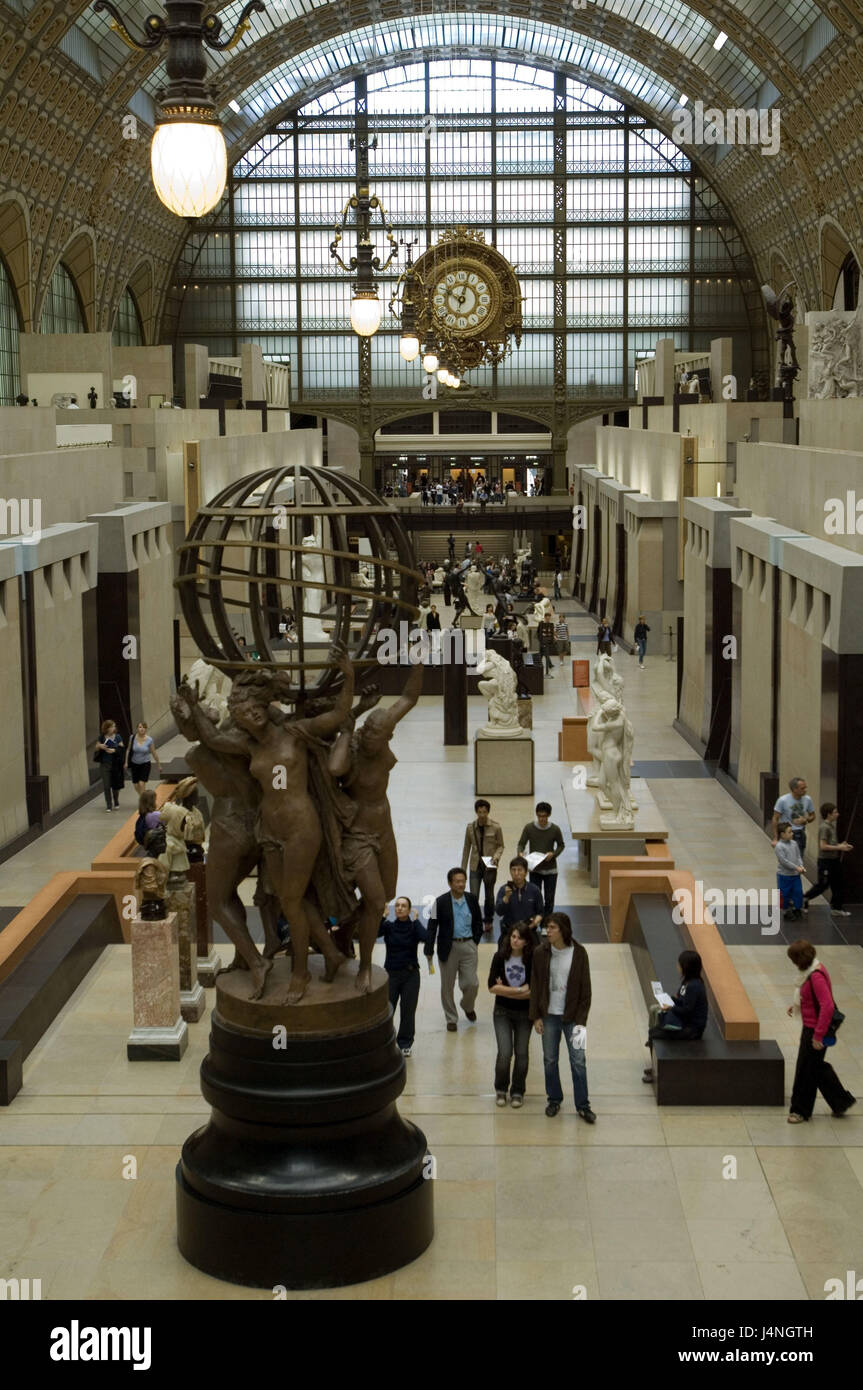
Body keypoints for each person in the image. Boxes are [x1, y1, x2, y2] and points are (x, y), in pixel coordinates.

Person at [529, 912, 595, 1122]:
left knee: (579, 1061)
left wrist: (581, 1022)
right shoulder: (540, 952)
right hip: (549, 1016)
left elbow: (586, 990)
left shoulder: (579, 953)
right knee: (550, 1060)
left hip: (574, 1018)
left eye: (552, 928)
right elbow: (536, 985)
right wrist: (536, 1017)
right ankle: (554, 1099)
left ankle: (583, 1105)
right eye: (547, 927)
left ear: (563, 930)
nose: (547, 931)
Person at [786, 939, 855, 1123]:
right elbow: (809, 997)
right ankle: (841, 1101)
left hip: (815, 1029)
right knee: (815, 1068)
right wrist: (796, 1006)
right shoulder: (813, 970)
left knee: (805, 1071)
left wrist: (818, 1035)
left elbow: (827, 1006)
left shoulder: (815, 976)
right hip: (812, 1026)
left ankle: (800, 1110)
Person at [424, 868, 484, 1031]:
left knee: (472, 983)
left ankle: (467, 1006)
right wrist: (428, 948)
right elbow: (432, 926)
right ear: (450, 883)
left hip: (468, 945)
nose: (461, 884)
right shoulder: (439, 902)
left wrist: (475, 941)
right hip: (447, 948)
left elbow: (479, 922)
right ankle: (451, 1018)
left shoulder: (471, 899)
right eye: (457, 881)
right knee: (447, 985)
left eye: (463, 881)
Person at [641, 950, 708, 1083]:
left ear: (686, 967)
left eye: (680, 964)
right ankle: (655, 1062)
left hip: (692, 1029)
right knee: (656, 1016)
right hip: (685, 1020)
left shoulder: (694, 986)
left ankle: (655, 1072)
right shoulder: (687, 982)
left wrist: (671, 1007)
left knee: (653, 1033)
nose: (677, 966)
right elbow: (682, 1001)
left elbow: (688, 1010)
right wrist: (669, 999)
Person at [488, 921, 534, 1107]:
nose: (515, 941)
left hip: (525, 1013)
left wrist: (505, 988)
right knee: (505, 1052)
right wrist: (517, 991)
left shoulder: (532, 960)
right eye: (513, 936)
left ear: (526, 942)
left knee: (522, 1053)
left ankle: (517, 1091)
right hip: (502, 1012)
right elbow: (492, 987)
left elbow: (533, 990)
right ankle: (501, 1089)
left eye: (520, 938)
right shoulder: (499, 957)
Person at [378, 896, 428, 1056]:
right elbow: (374, 933)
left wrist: (416, 920)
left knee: (408, 1010)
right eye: (397, 905)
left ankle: (405, 1043)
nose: (399, 908)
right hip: (391, 974)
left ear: (409, 909)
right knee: (388, 1009)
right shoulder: (389, 926)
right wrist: (382, 916)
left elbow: (426, 937)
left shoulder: (414, 927)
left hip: (410, 975)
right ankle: (386, 1041)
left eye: (403, 906)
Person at [461, 799, 505, 933]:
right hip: (475, 866)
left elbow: (501, 845)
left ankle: (488, 920)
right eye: (479, 812)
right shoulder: (470, 828)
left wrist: (496, 858)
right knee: (473, 895)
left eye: (484, 812)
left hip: (489, 867)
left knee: (489, 896)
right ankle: (475, 920)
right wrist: (462, 870)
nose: (482, 815)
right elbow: (466, 848)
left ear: (488, 812)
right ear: (476, 812)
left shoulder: (496, 827)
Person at [803, 803, 852, 916]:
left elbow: (831, 844)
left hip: (834, 860)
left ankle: (836, 908)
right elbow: (823, 846)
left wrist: (841, 845)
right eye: (835, 812)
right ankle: (804, 898)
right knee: (823, 884)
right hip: (826, 862)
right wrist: (839, 847)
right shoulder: (825, 827)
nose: (837, 814)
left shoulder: (831, 826)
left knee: (838, 883)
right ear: (829, 814)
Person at [517, 803, 565, 915]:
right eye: (539, 816)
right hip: (535, 869)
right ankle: (536, 920)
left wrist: (553, 854)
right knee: (535, 897)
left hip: (551, 870)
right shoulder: (529, 828)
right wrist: (520, 853)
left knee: (549, 898)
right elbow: (521, 843)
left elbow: (561, 845)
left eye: (544, 816)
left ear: (549, 815)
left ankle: (547, 922)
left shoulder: (555, 829)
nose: (542, 819)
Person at [495, 857, 544, 940]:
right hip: (509, 931)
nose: (516, 873)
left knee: (537, 951)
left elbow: (541, 912)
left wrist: (533, 924)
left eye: (519, 870)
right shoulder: (504, 890)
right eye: (513, 870)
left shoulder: (534, 890)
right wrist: (506, 898)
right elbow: (499, 912)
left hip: (529, 931)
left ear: (526, 872)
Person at [772, 776, 815, 857]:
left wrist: (806, 820)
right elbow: (775, 818)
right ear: (794, 789)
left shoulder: (807, 799)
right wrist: (775, 837)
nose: (805, 790)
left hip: (800, 833)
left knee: (799, 859)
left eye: (805, 787)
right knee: (787, 860)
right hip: (786, 834)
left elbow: (813, 815)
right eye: (802, 788)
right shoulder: (783, 800)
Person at [775, 820, 805, 921]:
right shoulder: (779, 846)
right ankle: (786, 911)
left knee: (798, 892)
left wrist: (801, 865)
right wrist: (796, 867)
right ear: (782, 834)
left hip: (795, 875)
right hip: (784, 875)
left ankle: (797, 909)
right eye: (790, 832)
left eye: (792, 831)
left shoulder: (794, 843)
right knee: (785, 894)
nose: (792, 833)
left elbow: (798, 856)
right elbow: (784, 861)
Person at [94, 718, 124, 811]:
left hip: (115, 764)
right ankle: (108, 805)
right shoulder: (102, 737)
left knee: (115, 785)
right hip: (104, 764)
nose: (114, 728)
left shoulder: (118, 737)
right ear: (107, 728)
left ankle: (116, 800)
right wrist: (100, 746)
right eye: (112, 726)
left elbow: (122, 748)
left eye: (114, 726)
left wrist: (114, 750)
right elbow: (96, 747)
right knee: (106, 785)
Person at [125, 720, 162, 795]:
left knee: (141, 784)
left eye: (144, 727)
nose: (142, 729)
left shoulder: (149, 740)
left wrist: (159, 765)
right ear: (137, 728)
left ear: (146, 729)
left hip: (145, 764)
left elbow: (154, 753)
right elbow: (128, 750)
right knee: (136, 785)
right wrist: (126, 762)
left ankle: (143, 802)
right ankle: (143, 797)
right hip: (134, 764)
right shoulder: (132, 737)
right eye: (140, 727)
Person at [133, 789, 163, 857]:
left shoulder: (143, 815)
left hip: (149, 843)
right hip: (158, 843)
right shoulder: (155, 815)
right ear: (152, 802)